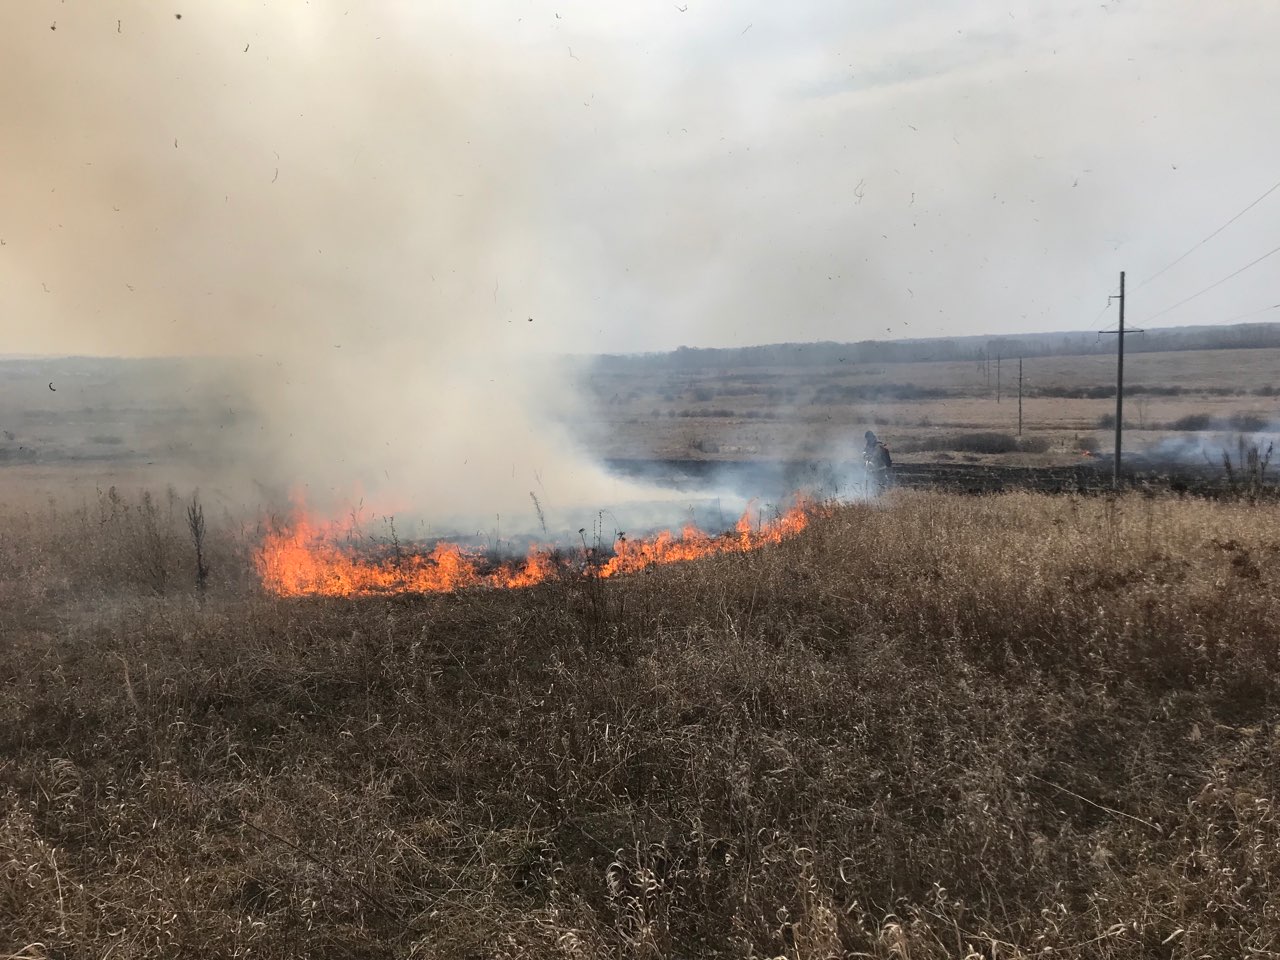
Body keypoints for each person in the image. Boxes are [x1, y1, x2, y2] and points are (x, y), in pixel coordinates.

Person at [862, 430, 892, 494]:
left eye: (868, 438)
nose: (867, 440)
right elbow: (865, 453)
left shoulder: (878, 446)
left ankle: (881, 496)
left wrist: (870, 457)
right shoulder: (869, 445)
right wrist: (865, 455)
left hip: (879, 469)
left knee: (880, 484)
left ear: (871, 437)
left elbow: (877, 455)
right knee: (872, 484)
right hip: (871, 469)